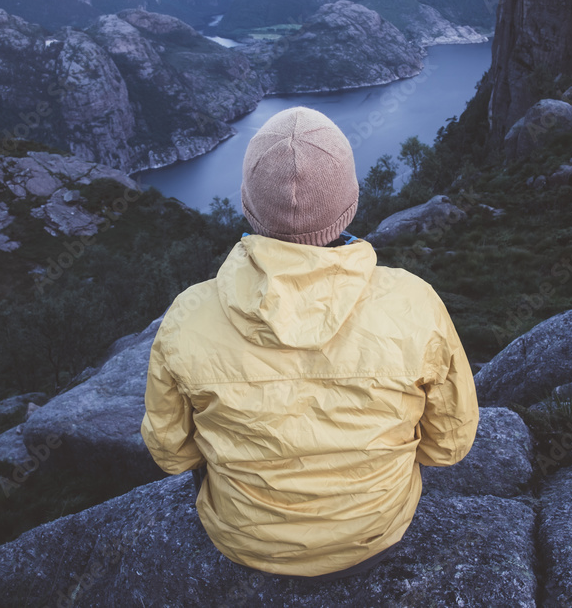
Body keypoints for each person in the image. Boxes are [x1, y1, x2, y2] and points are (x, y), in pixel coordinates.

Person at [140, 106, 479, 579]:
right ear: (350, 202)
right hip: (374, 534)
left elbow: (172, 454)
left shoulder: (188, 316)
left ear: (247, 202)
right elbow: (449, 446)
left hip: (244, 542)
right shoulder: (414, 302)